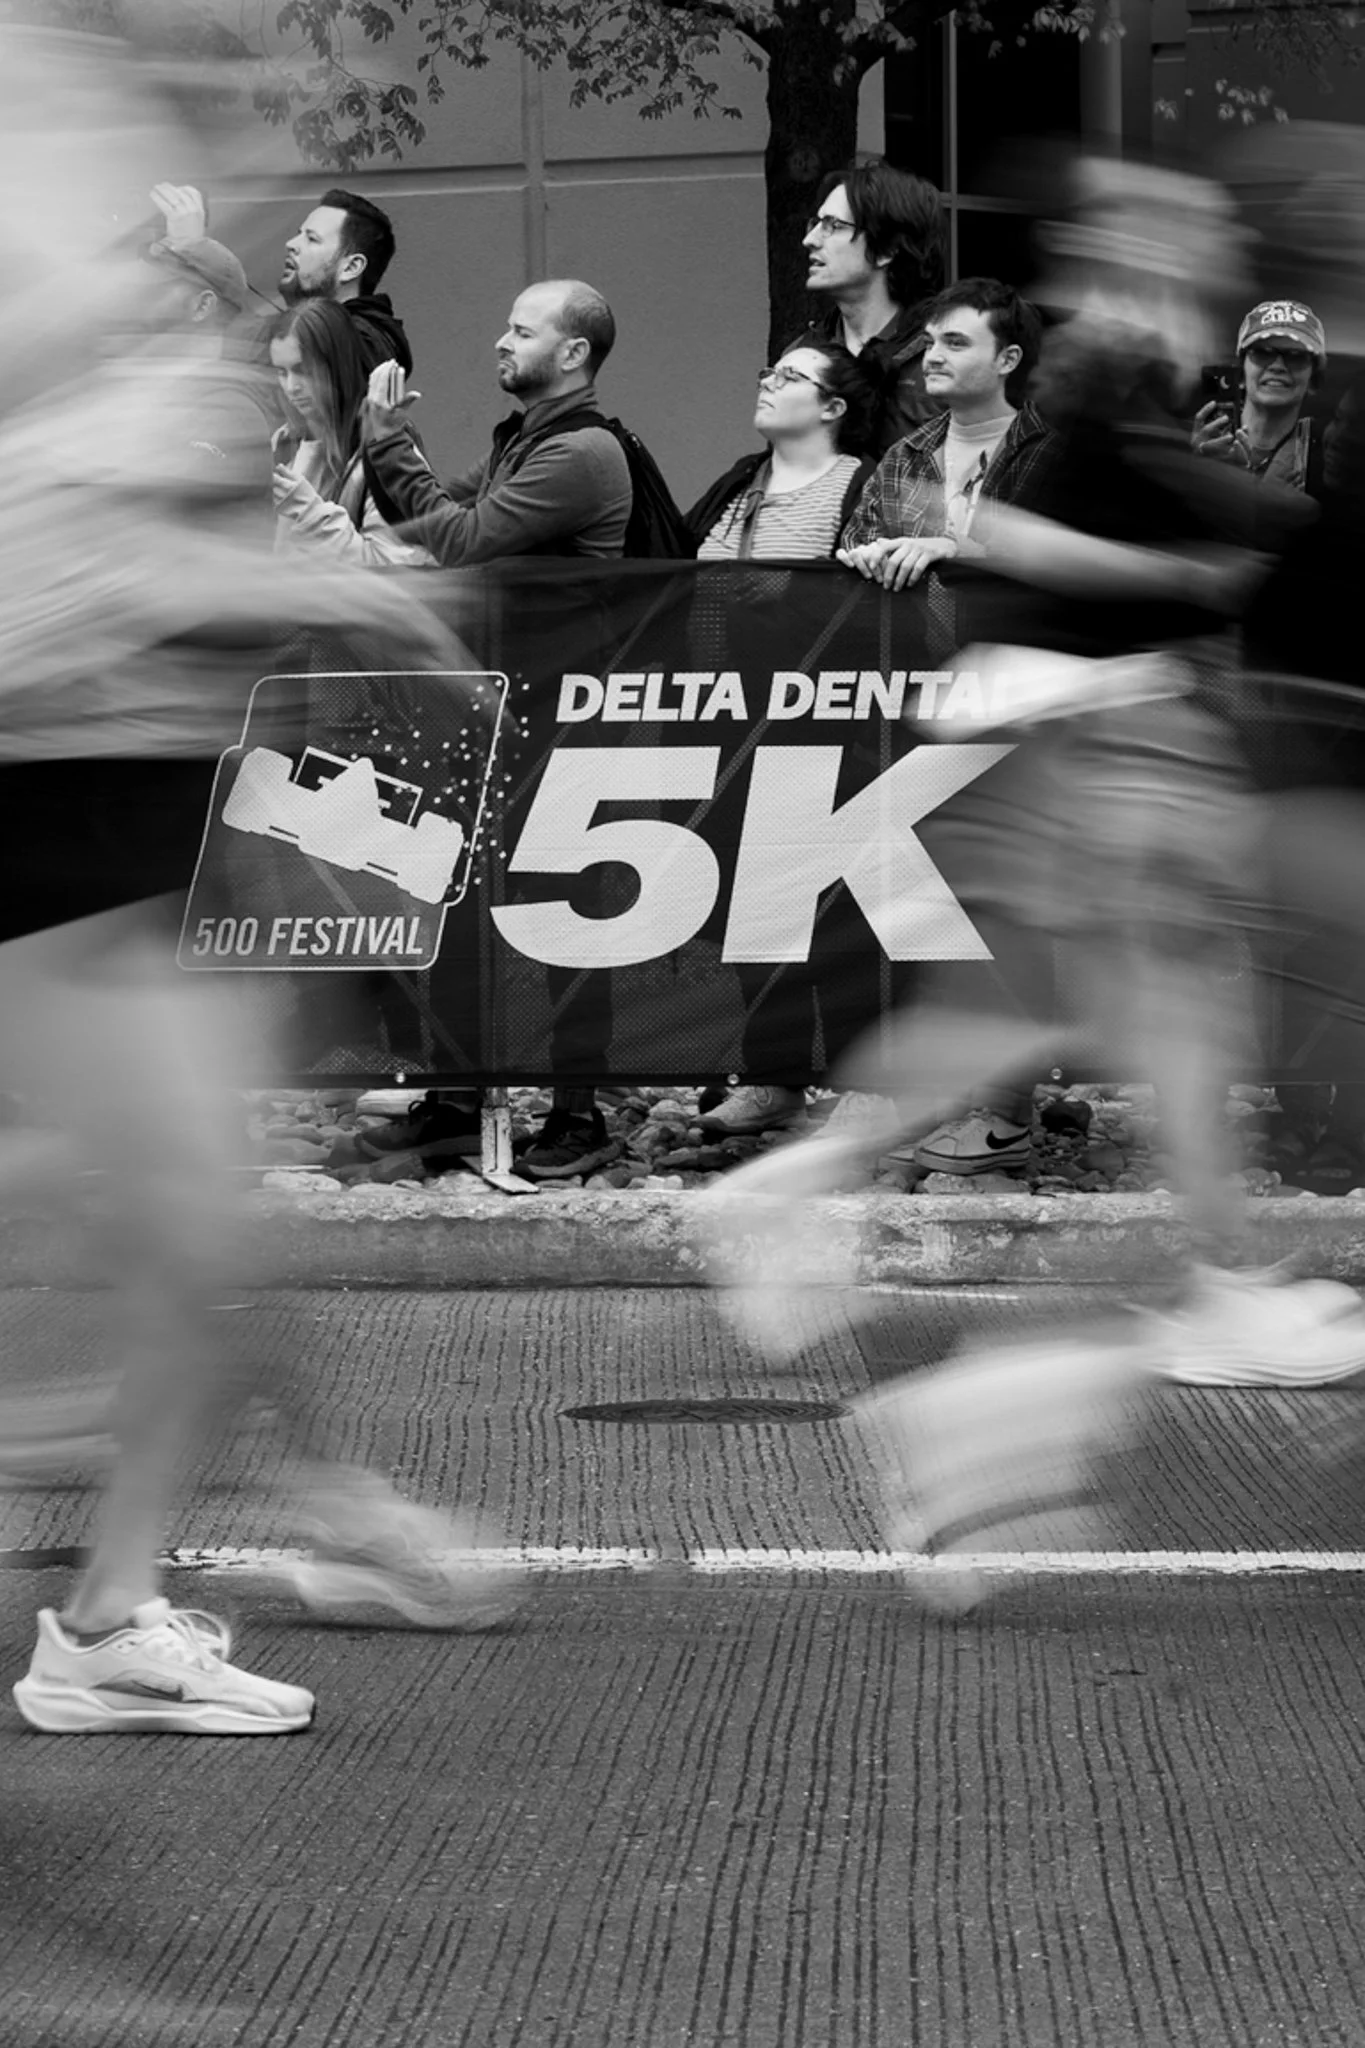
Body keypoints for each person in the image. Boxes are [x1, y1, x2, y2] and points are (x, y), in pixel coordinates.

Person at [0, 26, 520, 1735]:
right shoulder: (53, 294)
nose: (234, 107)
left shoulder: (145, 304)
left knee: (192, 1236)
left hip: (130, 817)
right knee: (193, 1239)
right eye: (193, 76)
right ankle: (131, 1594)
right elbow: (55, 578)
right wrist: (341, 597)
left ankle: (146, 1585)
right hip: (54, 821)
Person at [365, 279, 633, 1178]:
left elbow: (461, 541)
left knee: (568, 916)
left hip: (561, 720)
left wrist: (388, 440)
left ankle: (578, 1114)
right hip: (494, 711)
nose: (498, 342)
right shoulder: (523, 440)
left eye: (521, 330)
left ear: (573, 354)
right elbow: (431, 513)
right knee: (455, 901)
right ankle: (455, 1093)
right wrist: (389, 455)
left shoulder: (583, 454)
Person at [835, 277, 1059, 1176]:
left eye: (955, 342)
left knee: (1010, 901)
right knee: (933, 900)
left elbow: (1058, 560)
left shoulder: (1050, 454)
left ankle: (1009, 1106)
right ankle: (964, 1088)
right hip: (922, 712)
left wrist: (952, 550)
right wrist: (864, 560)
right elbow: (848, 552)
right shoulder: (903, 457)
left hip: (1025, 710)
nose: (932, 355)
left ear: (1006, 359)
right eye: (929, 341)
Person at [679, 338, 878, 1137]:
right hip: (727, 726)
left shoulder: (857, 485)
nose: (768, 381)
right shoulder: (737, 481)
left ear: (831, 408)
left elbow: (872, 607)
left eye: (790, 377)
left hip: (821, 727)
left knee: (839, 912)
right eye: (768, 370)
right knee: (754, 912)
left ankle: (864, 1081)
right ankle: (772, 1075)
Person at [270, 298, 434, 568]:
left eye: (302, 370)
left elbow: (396, 569)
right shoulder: (285, 442)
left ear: (336, 365)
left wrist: (311, 514)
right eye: (281, 372)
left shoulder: (386, 447)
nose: (291, 386)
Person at [804, 159, 946, 454]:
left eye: (834, 226)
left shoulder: (943, 358)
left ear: (886, 250)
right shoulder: (802, 359)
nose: (810, 239)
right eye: (816, 223)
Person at [1192, 298, 1327, 497]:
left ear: (1314, 377)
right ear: (1241, 371)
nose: (1278, 366)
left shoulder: (1329, 461)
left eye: (1295, 355)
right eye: (1263, 353)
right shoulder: (1189, 439)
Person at [280, 187, 413, 375]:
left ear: (351, 268)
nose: (291, 244)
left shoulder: (368, 343)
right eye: (299, 234)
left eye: (312, 239)